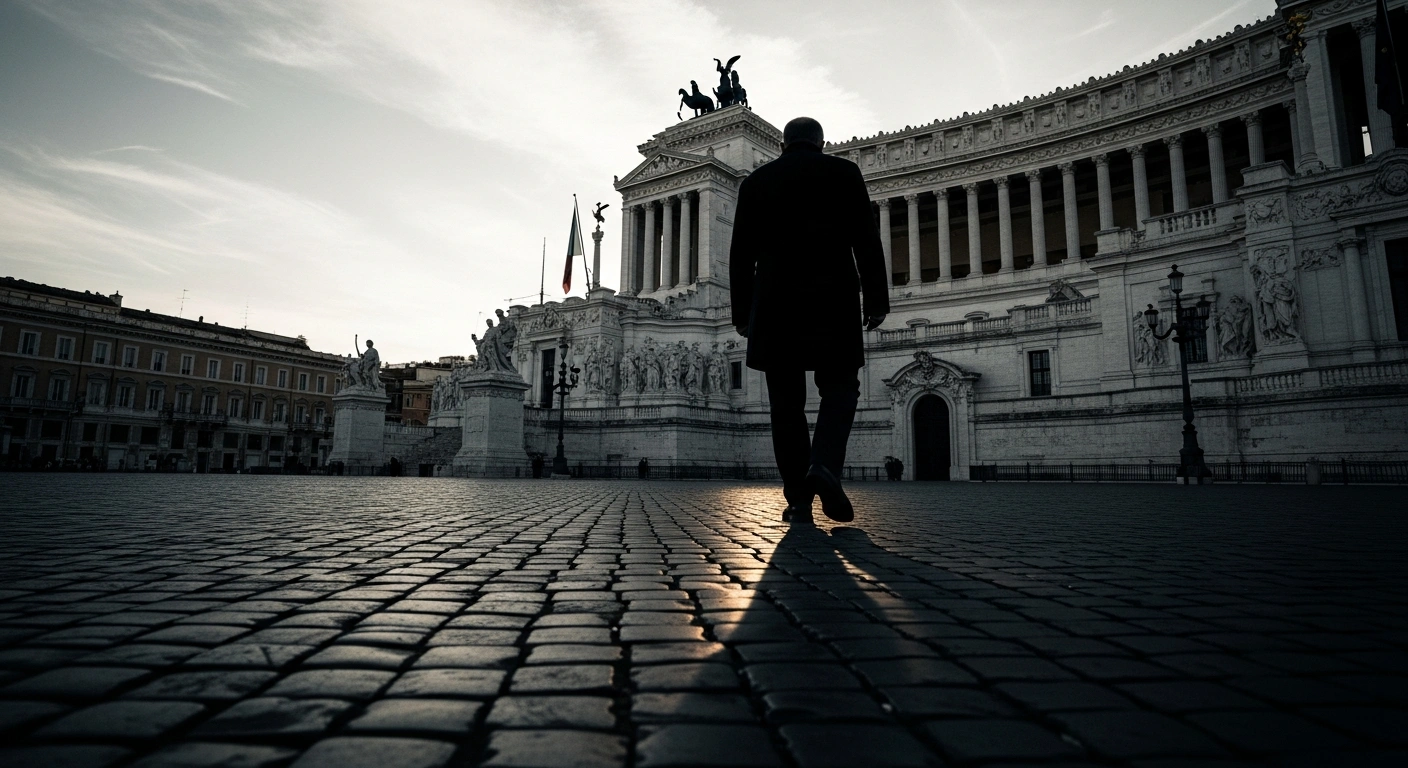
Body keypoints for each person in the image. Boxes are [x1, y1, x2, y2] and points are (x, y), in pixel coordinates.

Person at [729, 116, 888, 523]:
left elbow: (741, 254)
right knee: (840, 388)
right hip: (832, 297)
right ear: (821, 141)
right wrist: (875, 299)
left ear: (783, 143)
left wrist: (743, 313)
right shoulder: (843, 172)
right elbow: (866, 240)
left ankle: (798, 498)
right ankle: (825, 466)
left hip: (775, 303)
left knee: (785, 405)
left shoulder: (756, 182)